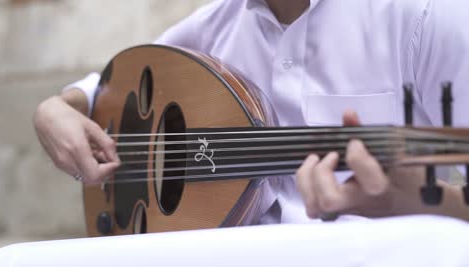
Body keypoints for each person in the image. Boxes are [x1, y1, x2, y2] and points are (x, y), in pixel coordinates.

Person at [34, 0, 469, 225]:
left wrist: (418, 202)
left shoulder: (427, 16)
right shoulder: (211, 28)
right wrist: (56, 108)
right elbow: (105, 91)